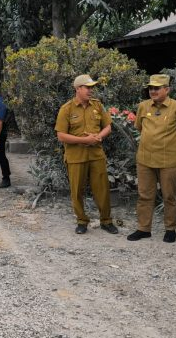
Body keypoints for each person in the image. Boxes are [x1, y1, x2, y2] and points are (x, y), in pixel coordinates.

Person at [127, 74, 176, 243]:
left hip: (168, 160)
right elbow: (140, 128)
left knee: (169, 196)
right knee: (144, 195)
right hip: (145, 159)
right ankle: (143, 228)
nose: (153, 91)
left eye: (157, 88)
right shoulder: (143, 106)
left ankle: (170, 229)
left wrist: (168, 142)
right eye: (150, 88)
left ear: (167, 89)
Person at [54, 74, 117, 235]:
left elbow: (108, 126)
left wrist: (99, 137)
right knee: (77, 191)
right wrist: (84, 140)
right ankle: (81, 221)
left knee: (102, 189)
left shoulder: (97, 105)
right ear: (78, 89)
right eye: (87, 87)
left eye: (92, 88)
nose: (91, 91)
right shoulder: (66, 109)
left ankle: (106, 221)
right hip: (76, 157)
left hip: (96, 155)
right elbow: (61, 135)